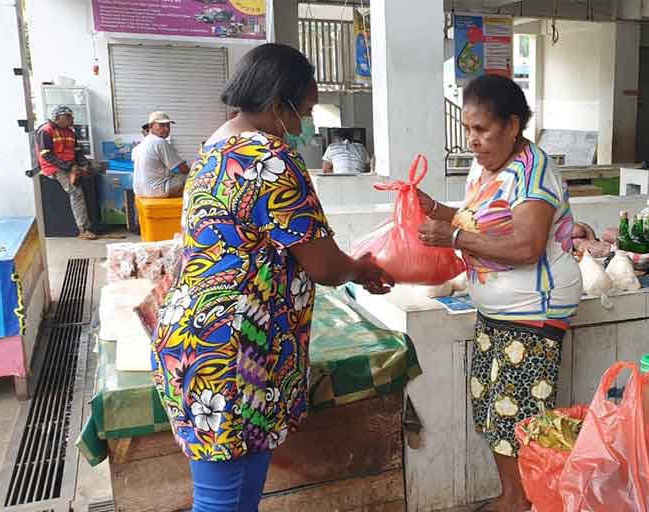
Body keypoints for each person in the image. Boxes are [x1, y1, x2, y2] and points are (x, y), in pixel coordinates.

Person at [150, 43, 393, 512]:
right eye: (300, 112)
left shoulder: (214, 147)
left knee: (241, 495)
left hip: (211, 338)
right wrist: (359, 268)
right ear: (278, 102)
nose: (301, 128)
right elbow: (324, 266)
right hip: (226, 351)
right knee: (221, 502)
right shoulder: (270, 160)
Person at [416, 75, 582, 511]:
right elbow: (475, 220)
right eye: (468, 129)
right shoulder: (487, 166)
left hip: (533, 311)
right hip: (497, 311)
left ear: (512, 125)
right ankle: (514, 497)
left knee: (519, 414)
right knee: (492, 408)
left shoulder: (534, 171)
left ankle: (523, 500)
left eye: (482, 130)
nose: (472, 140)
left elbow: (526, 247)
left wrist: (452, 238)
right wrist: (432, 209)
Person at [35, 105, 97, 240]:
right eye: (68, 116)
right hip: (54, 167)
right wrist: (70, 167)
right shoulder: (45, 131)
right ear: (57, 118)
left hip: (69, 165)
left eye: (71, 116)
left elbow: (78, 152)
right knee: (76, 192)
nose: (72, 118)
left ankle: (95, 223)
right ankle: (84, 229)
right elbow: (47, 156)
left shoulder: (70, 132)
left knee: (92, 175)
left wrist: (85, 165)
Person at [132, 111, 189, 198]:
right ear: (151, 126)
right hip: (157, 191)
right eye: (162, 125)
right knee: (195, 179)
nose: (166, 129)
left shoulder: (139, 146)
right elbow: (183, 169)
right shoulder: (160, 142)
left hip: (139, 191)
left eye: (168, 125)